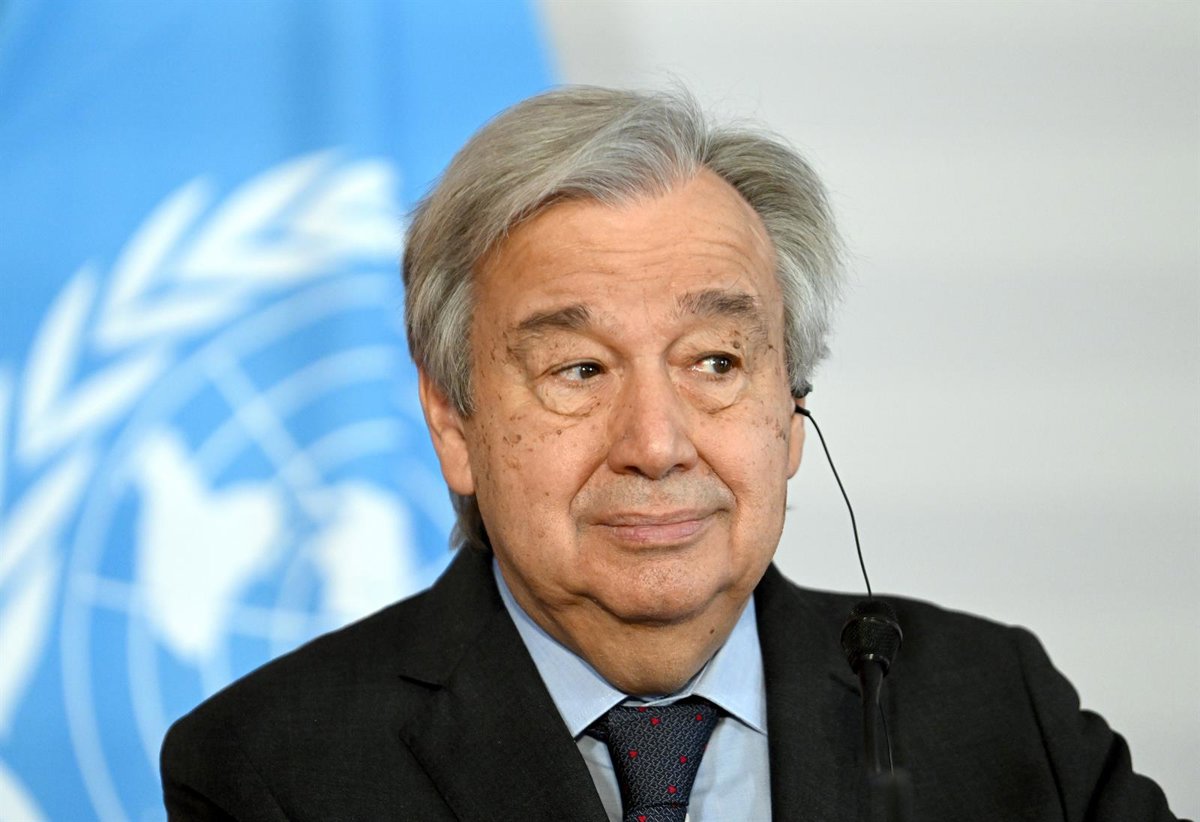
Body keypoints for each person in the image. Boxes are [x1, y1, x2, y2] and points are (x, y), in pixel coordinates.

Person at [161, 86, 1186, 821]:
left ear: (791, 410)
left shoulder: (996, 707)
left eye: (715, 361)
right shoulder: (273, 768)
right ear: (454, 424)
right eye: (578, 370)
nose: (655, 445)